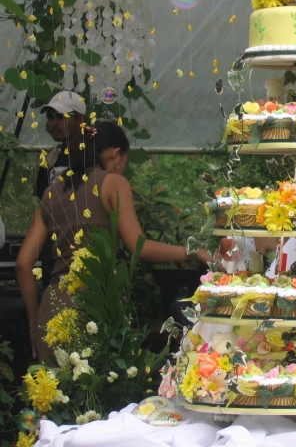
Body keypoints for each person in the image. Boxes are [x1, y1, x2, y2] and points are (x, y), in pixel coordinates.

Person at [16, 122, 215, 364]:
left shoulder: (50, 193)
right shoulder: (112, 183)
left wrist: (34, 320)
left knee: (57, 394)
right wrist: (193, 251)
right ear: (115, 155)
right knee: (97, 394)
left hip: (53, 307)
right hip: (95, 304)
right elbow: (138, 246)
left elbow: (24, 263)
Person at [34, 91, 86, 198]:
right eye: (50, 116)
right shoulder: (52, 156)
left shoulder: (95, 153)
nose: (53, 123)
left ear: (80, 119)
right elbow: (41, 201)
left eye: (60, 116)